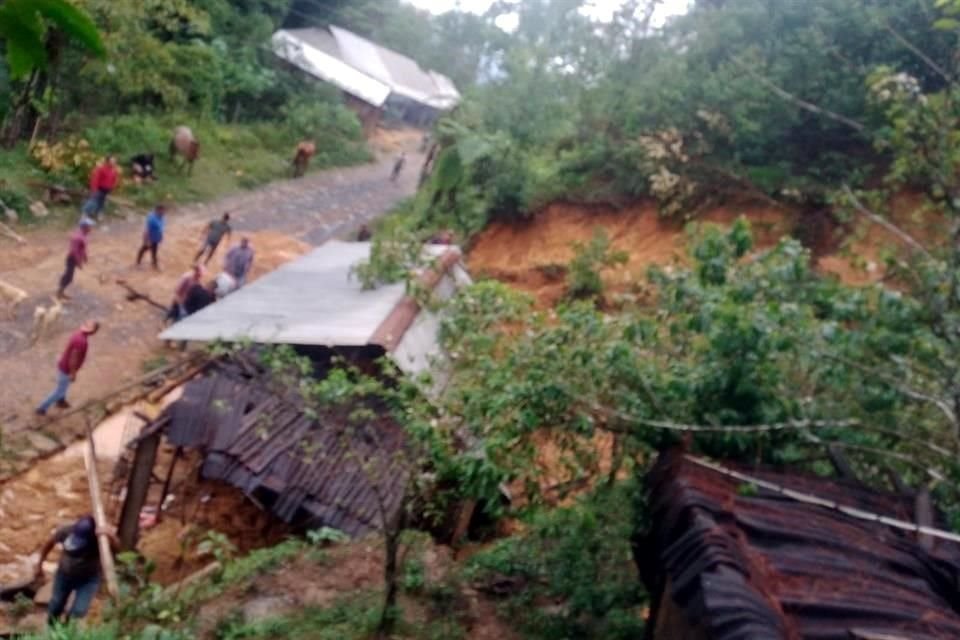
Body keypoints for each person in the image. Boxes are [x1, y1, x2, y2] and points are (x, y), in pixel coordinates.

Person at [36, 515, 118, 625]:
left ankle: (66, 630)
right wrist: (39, 564)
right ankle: (51, 628)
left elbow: (117, 550)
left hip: (88, 579)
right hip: (64, 574)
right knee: (56, 604)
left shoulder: (99, 539)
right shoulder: (66, 531)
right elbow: (49, 544)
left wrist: (111, 536)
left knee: (79, 611)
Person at [36, 320, 99, 416]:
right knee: (59, 390)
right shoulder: (81, 342)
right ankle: (42, 408)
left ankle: (61, 400)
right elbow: (73, 358)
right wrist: (73, 373)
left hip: (64, 365)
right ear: (93, 332)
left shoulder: (78, 334)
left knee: (64, 386)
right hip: (66, 369)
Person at [57, 218, 94, 300]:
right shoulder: (77, 237)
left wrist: (85, 257)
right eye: (90, 226)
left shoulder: (84, 235)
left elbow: (82, 248)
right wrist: (78, 262)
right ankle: (60, 292)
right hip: (72, 259)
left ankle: (61, 291)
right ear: (84, 227)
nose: (91, 228)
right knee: (68, 277)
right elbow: (74, 251)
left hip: (74, 258)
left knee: (69, 276)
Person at [136, 204, 166, 269]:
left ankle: (154, 264)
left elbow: (161, 228)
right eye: (162, 211)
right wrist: (146, 240)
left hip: (156, 237)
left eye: (164, 211)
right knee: (144, 249)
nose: (163, 213)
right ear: (157, 210)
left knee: (154, 250)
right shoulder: (152, 219)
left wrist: (161, 236)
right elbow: (147, 230)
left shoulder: (162, 217)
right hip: (150, 238)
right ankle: (138, 262)